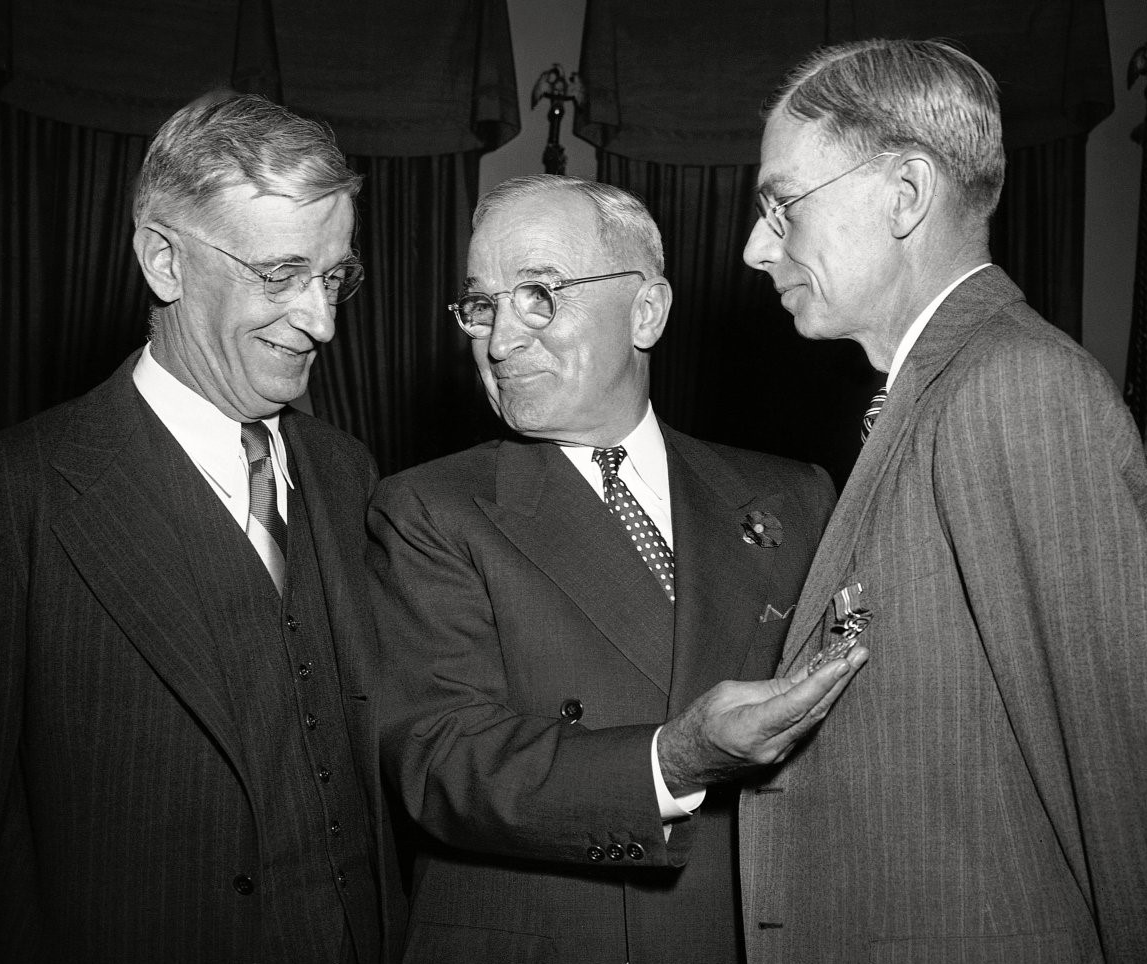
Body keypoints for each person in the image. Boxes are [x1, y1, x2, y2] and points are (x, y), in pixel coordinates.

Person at [0, 94, 400, 963]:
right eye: (279, 275)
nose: (321, 321)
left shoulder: (347, 473)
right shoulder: (0, 505)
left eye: (335, 276)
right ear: (163, 259)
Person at [736, 38, 1147, 963]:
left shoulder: (1015, 389)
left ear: (905, 195)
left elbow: (1127, 781)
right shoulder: (936, 387)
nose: (757, 246)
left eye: (781, 203)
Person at [368, 175, 863, 963]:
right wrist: (671, 760)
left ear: (645, 311)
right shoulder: (429, 509)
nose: (499, 340)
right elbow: (441, 764)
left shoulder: (791, 496)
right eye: (482, 305)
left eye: (538, 294)